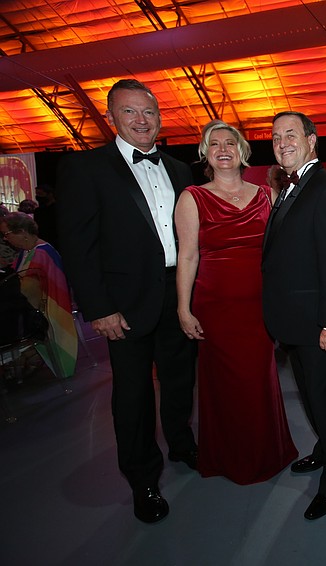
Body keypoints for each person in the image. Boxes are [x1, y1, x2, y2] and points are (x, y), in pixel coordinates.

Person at [57, 79, 197, 524]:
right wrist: (98, 308)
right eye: (130, 112)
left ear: (160, 117)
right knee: (133, 394)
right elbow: (79, 247)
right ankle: (143, 479)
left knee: (179, 379)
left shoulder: (178, 168)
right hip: (124, 304)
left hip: (177, 294)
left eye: (149, 112)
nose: (141, 121)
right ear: (111, 117)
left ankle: (182, 443)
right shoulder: (87, 168)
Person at [174, 121, 297, 485]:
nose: (224, 148)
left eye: (231, 142)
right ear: (205, 153)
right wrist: (183, 308)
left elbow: (280, 256)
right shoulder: (192, 197)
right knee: (226, 386)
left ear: (243, 151)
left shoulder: (266, 195)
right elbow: (187, 257)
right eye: (215, 144)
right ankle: (230, 457)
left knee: (260, 380)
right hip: (216, 308)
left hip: (260, 306)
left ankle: (268, 452)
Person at [262, 111, 326, 520]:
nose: (283, 142)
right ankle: (324, 449)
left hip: (320, 325)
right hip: (296, 323)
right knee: (313, 398)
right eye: (276, 136)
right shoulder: (288, 189)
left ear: (312, 141)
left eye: (291, 135)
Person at [1, 212, 78, 377]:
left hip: (42, 311)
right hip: (31, 307)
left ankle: (24, 355)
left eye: (7, 234)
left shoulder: (42, 253)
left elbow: (27, 289)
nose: (5, 239)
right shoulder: (27, 251)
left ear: (22, 232)